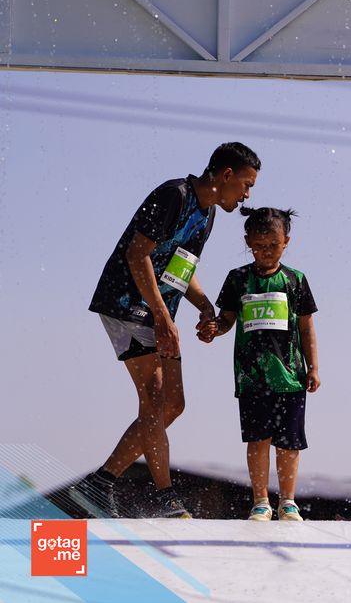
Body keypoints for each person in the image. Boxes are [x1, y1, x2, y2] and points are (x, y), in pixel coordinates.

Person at [70, 142, 261, 519]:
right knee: (155, 397)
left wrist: (204, 306)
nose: (247, 195)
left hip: (158, 314)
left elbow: (178, 269)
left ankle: (100, 483)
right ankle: (165, 498)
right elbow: (137, 254)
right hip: (126, 303)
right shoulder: (175, 195)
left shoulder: (207, 214)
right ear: (226, 175)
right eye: (246, 185)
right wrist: (162, 317)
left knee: (173, 403)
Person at [197, 206, 320, 521]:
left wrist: (314, 367)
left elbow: (306, 327)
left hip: (291, 377)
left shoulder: (296, 280)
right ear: (248, 242)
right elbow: (226, 320)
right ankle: (261, 501)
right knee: (257, 439)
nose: (266, 251)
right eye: (259, 246)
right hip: (252, 378)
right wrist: (214, 329)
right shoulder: (238, 279)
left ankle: (288, 501)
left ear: (286, 242)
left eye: (273, 245)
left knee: (289, 442)